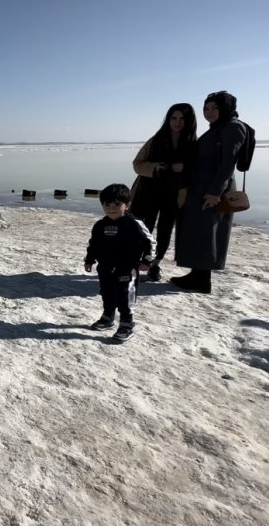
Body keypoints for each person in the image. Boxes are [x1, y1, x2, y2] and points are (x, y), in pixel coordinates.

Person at [171, 91, 247, 294]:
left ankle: (202, 280)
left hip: (214, 191)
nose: (209, 112)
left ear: (225, 108)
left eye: (215, 107)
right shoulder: (217, 128)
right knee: (200, 231)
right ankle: (196, 274)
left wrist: (215, 192)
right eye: (206, 108)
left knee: (208, 233)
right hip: (202, 188)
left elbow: (227, 164)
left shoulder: (232, 127)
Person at [129, 103, 198, 281]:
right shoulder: (156, 140)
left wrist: (185, 168)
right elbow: (137, 164)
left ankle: (155, 264)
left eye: (182, 118)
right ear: (168, 119)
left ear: (189, 121)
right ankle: (137, 262)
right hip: (149, 192)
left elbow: (199, 170)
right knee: (144, 229)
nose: (177, 122)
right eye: (173, 118)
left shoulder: (192, 144)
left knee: (165, 231)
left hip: (174, 194)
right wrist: (160, 167)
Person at [84, 183, 156, 343]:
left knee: (125, 296)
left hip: (127, 269)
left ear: (127, 205)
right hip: (105, 268)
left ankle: (126, 324)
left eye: (117, 204)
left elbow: (149, 243)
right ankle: (108, 317)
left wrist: (147, 260)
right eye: (107, 204)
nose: (111, 208)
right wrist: (89, 259)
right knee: (107, 293)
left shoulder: (133, 224)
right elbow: (94, 243)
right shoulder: (100, 225)